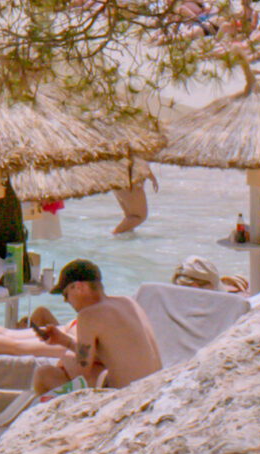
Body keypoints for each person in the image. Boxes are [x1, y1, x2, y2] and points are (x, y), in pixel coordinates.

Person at [29, 260, 163, 400]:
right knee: (95, 370)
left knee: (43, 374)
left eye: (66, 295)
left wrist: (64, 357)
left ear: (79, 287)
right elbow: (110, 353)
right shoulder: (128, 303)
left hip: (129, 400)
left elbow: (80, 375)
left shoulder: (88, 315)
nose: (66, 301)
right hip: (154, 393)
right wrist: (64, 341)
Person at [109, 159, 156, 235]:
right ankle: (112, 239)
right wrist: (152, 177)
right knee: (139, 216)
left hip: (118, 178)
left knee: (130, 218)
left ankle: (123, 245)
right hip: (130, 181)